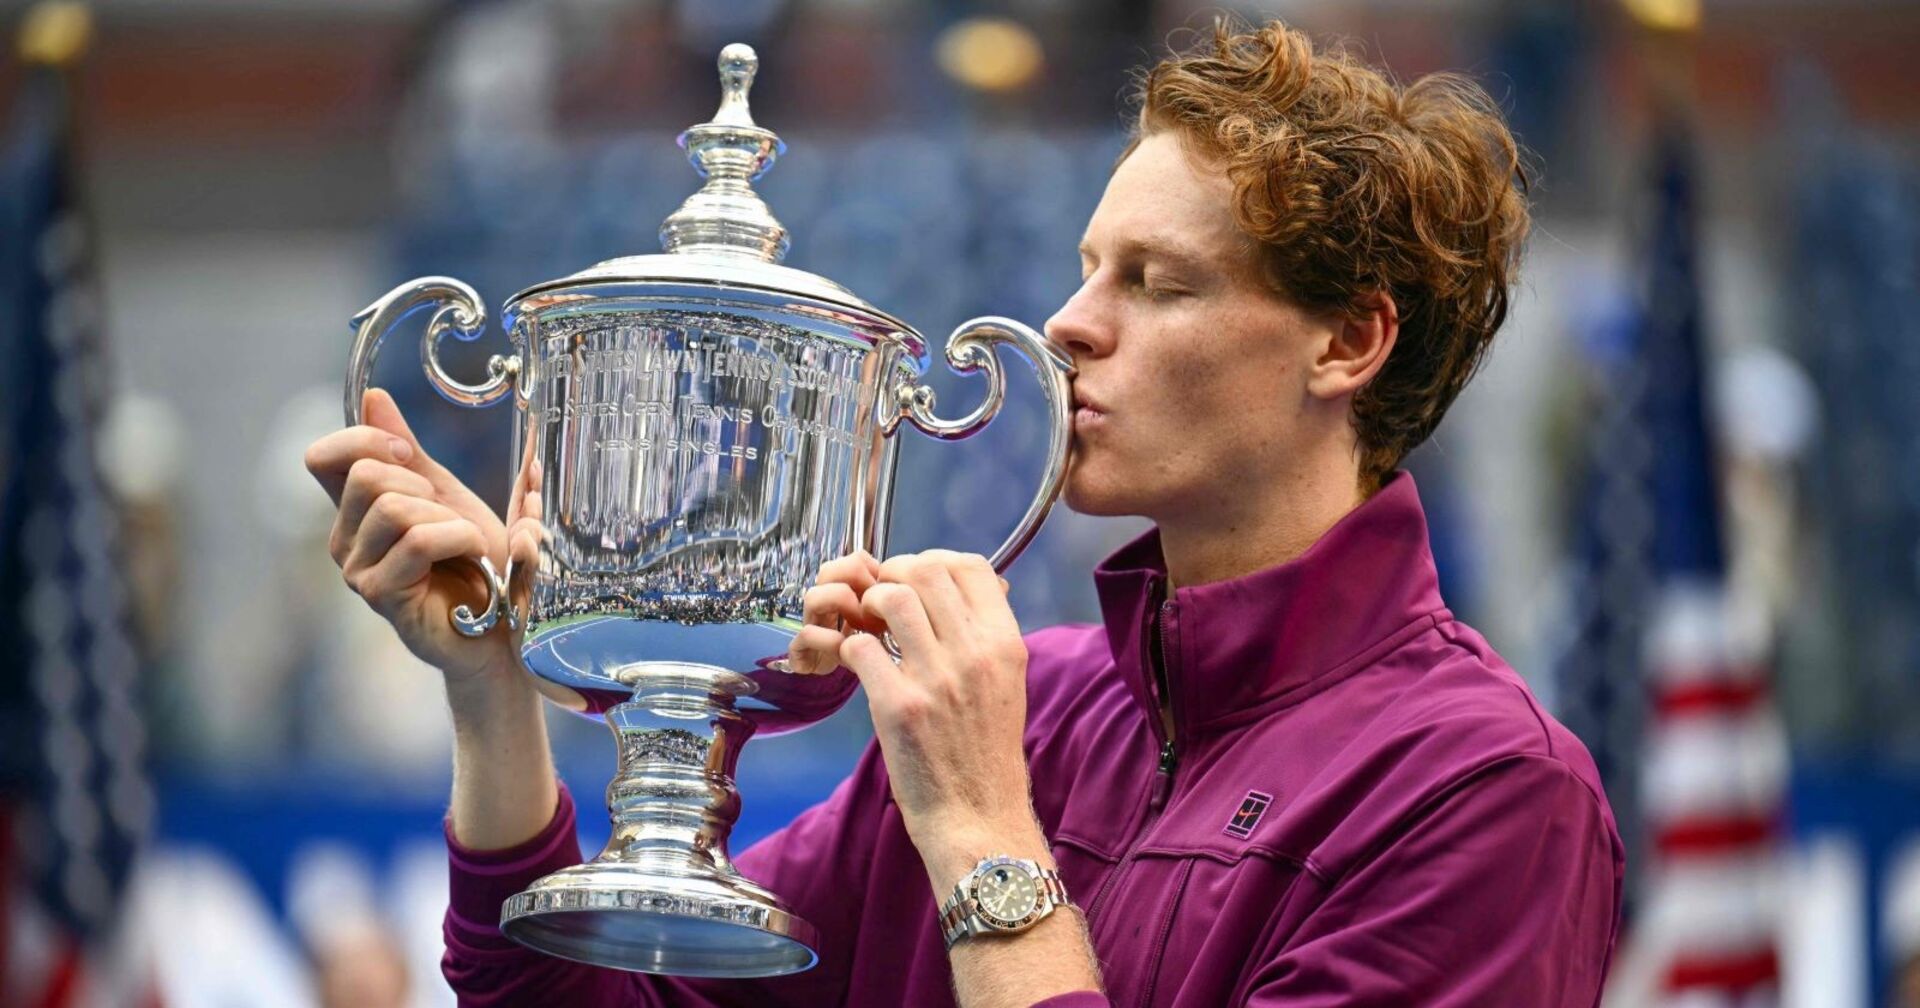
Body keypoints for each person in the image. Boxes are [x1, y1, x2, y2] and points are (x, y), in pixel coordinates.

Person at [305, 17, 1622, 1008]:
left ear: (1348, 343)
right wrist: (488, 690)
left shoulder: (1488, 793)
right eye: (1085, 268)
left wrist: (987, 831)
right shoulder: (1026, 704)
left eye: (1157, 284)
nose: (1069, 324)